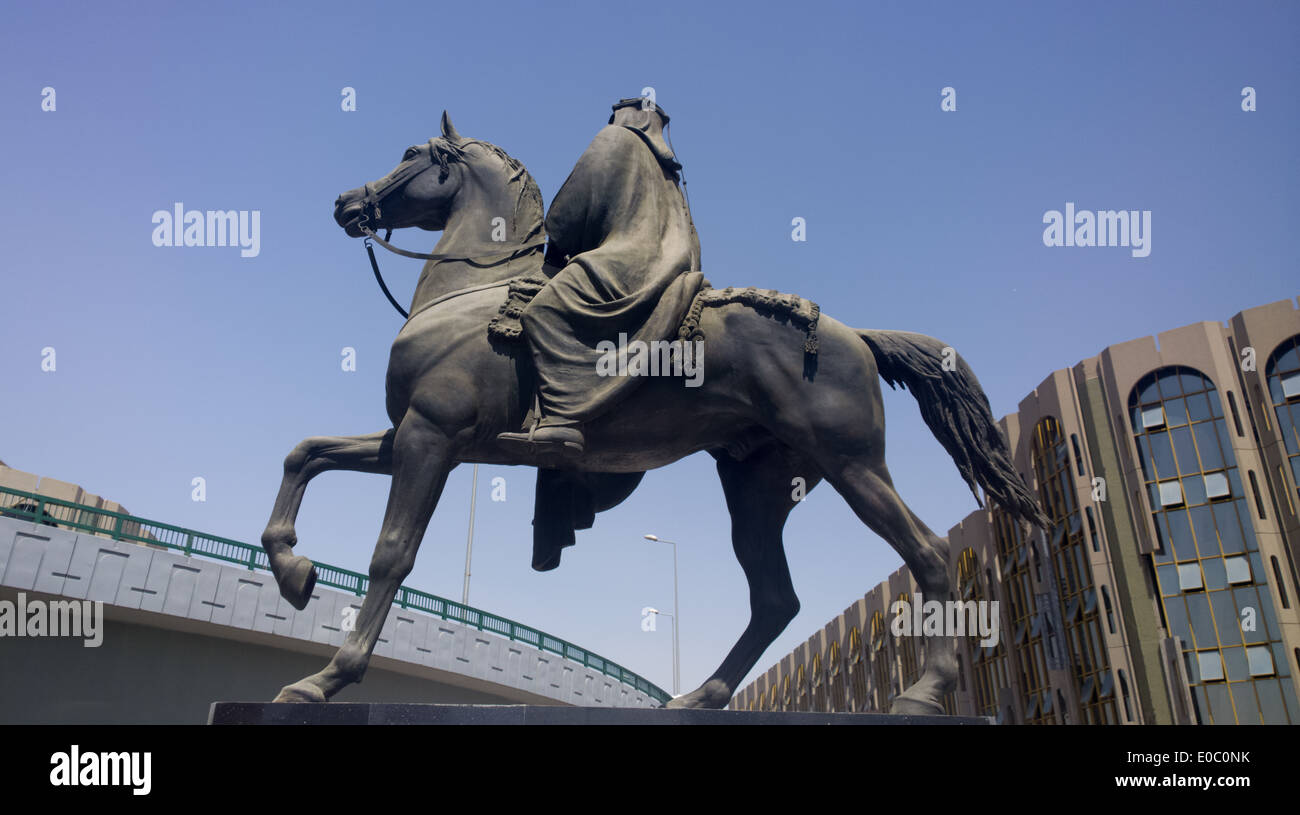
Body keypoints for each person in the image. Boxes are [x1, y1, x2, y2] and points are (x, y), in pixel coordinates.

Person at [497, 97, 704, 458]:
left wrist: (560, 242)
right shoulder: (671, 170)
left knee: (542, 312)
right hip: (679, 271)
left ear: (627, 115)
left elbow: (566, 215)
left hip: (628, 264)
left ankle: (561, 419)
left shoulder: (615, 140)